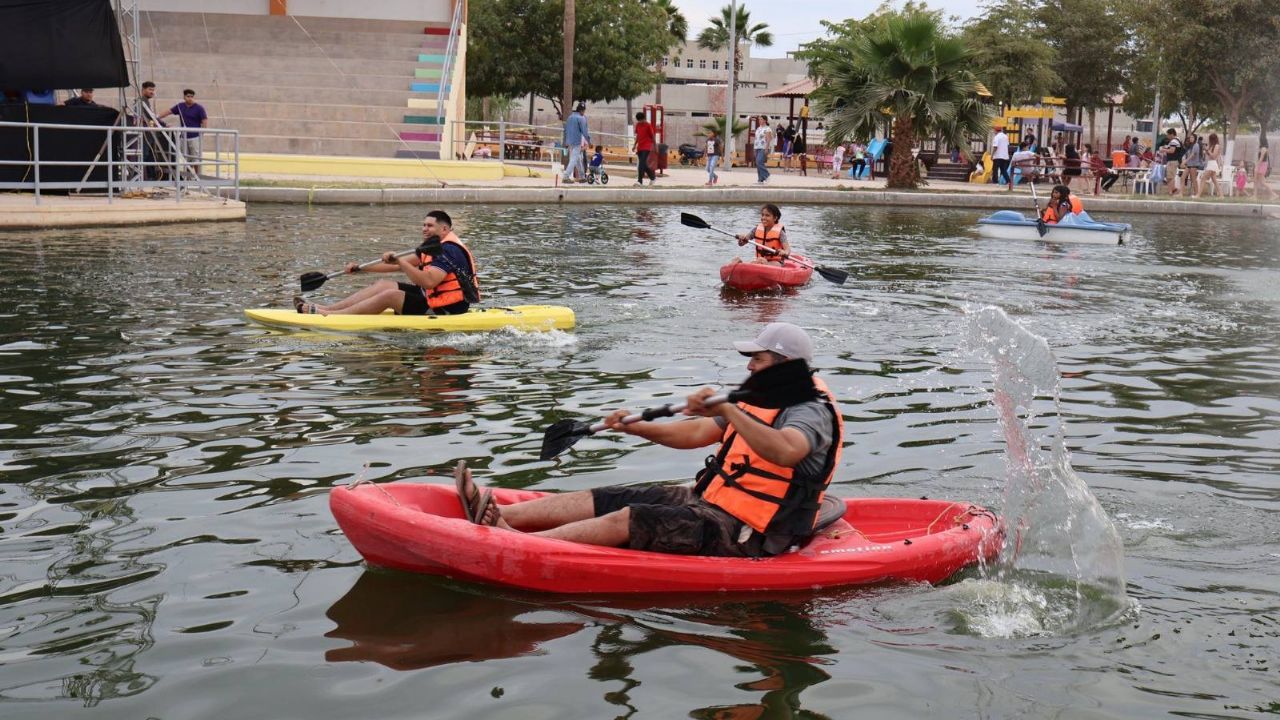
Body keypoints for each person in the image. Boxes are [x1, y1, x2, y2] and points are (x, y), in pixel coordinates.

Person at [457, 322, 844, 560]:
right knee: (612, 497)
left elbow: (788, 450)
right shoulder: (759, 396)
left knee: (633, 518)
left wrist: (728, 410)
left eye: (756, 359)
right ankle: (500, 515)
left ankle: (521, 544)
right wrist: (634, 427)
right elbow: (694, 433)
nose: (748, 366)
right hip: (713, 500)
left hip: (753, 534)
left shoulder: (810, 407)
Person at [294, 210, 479, 316]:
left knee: (390, 295)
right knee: (383, 285)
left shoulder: (449, 250)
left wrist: (400, 261)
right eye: (423, 225)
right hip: (430, 298)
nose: (424, 229)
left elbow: (429, 281)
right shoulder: (433, 246)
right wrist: (361, 269)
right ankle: (326, 308)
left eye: (429, 226)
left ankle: (331, 316)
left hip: (447, 309)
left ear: (444, 228)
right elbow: (397, 265)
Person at [157, 89, 208, 172]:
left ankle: (198, 176)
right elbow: (169, 111)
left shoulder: (199, 108)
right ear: (184, 97)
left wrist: (202, 134)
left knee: (196, 157)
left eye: (192, 96)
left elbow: (204, 121)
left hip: (195, 136)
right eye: (188, 96)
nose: (190, 98)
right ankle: (188, 176)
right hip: (184, 137)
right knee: (186, 157)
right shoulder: (180, 106)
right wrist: (157, 117)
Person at [561, 101, 591, 183]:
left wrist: (566, 142)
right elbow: (585, 131)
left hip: (570, 141)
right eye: (584, 111)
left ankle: (582, 176)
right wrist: (589, 141)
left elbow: (566, 130)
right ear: (582, 110)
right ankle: (566, 177)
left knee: (577, 159)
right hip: (577, 141)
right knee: (574, 159)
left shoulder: (570, 117)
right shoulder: (581, 118)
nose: (584, 113)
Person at [632, 111, 656, 186]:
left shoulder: (648, 125)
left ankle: (639, 181)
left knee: (641, 163)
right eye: (638, 120)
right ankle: (652, 177)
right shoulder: (638, 125)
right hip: (640, 147)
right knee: (644, 165)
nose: (640, 122)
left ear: (644, 118)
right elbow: (638, 135)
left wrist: (655, 146)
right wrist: (634, 145)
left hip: (647, 146)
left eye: (641, 120)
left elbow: (652, 136)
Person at [1161, 128, 1184, 194]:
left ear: (1171, 134)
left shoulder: (1174, 141)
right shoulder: (1178, 140)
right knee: (1170, 176)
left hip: (1172, 161)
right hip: (1174, 160)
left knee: (1170, 177)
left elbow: (1172, 150)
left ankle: (1170, 191)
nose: (1167, 136)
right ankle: (1173, 189)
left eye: (1168, 135)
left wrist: (1164, 150)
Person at [754, 116, 772, 184]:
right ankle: (760, 179)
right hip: (757, 147)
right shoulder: (758, 128)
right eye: (759, 119)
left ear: (765, 120)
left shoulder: (768, 129)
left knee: (759, 162)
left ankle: (767, 175)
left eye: (761, 119)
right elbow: (756, 139)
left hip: (763, 147)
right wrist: (754, 148)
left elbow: (769, 139)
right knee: (757, 163)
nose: (759, 120)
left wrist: (766, 148)